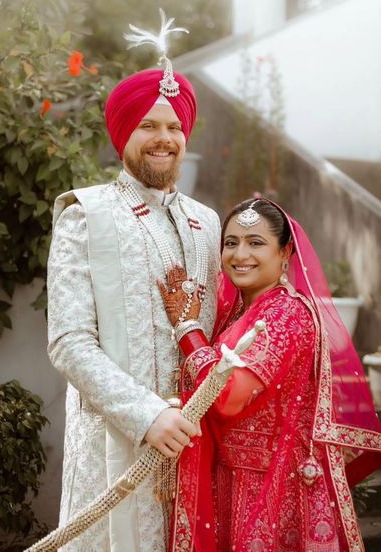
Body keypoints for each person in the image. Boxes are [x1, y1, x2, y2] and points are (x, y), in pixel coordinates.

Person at [47, 68, 221, 551]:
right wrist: (146, 415)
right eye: (148, 125)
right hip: (115, 444)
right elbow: (69, 341)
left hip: (194, 441)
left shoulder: (207, 224)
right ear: (124, 132)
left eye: (173, 127)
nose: (163, 138)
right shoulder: (87, 214)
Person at [159, 198, 381, 552]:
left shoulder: (286, 314)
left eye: (255, 242)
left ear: (285, 253)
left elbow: (229, 396)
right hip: (230, 478)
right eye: (231, 243)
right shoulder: (236, 313)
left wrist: (187, 330)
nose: (240, 254)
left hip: (274, 488)